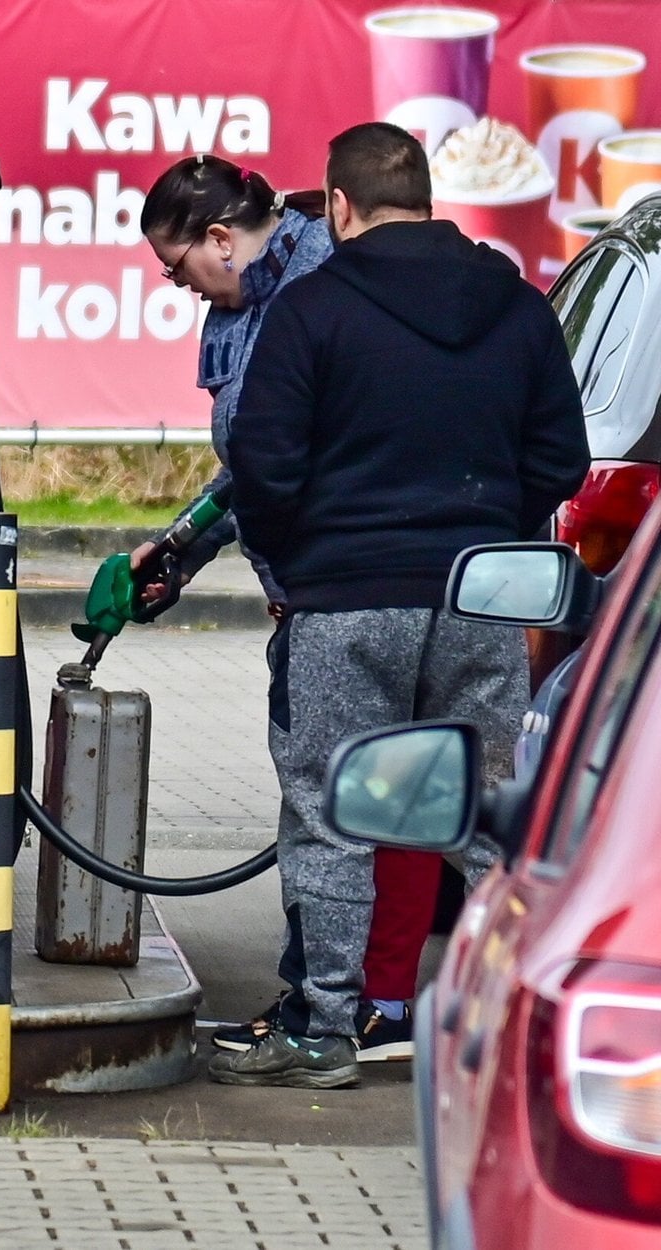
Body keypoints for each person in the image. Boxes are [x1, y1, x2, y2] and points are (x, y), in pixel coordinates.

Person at [212, 122, 588, 1088]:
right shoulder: (518, 306)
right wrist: (490, 531)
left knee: (331, 809)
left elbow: (262, 463)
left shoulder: (312, 310)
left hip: (345, 603)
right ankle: (518, 1027)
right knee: (487, 814)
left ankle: (323, 1028)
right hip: (481, 602)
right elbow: (562, 457)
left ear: (338, 206)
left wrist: (305, 562)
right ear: (426, 199)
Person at [134, 155, 454, 1067]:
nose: (180, 288)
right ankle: (357, 1004)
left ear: (221, 239)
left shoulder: (326, 292)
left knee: (356, 807)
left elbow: (302, 458)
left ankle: (341, 1012)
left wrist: (301, 569)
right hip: (315, 590)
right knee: (365, 798)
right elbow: (250, 465)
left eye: (177, 268)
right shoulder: (238, 311)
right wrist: (181, 546)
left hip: (345, 587)